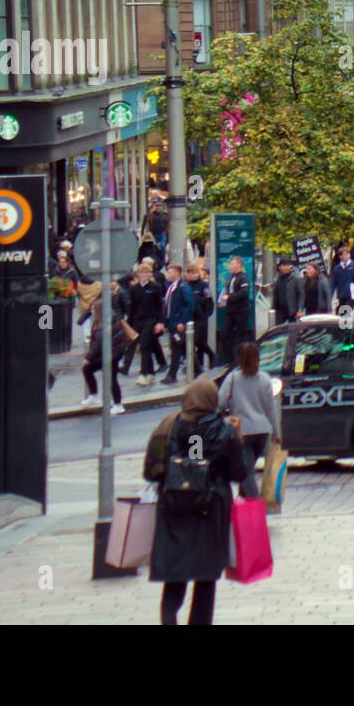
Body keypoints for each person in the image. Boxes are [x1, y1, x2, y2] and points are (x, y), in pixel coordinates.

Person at [144, 378, 248, 625]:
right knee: (205, 578)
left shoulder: (168, 426)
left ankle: (169, 619)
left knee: (174, 576)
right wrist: (237, 439)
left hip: (173, 511)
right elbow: (238, 473)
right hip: (209, 513)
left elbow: (151, 472)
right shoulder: (224, 431)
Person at [221, 342, 282, 498]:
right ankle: (244, 508)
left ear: (239, 358)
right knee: (246, 468)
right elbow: (271, 409)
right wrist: (277, 433)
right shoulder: (265, 379)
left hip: (242, 432)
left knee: (247, 472)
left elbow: (220, 402)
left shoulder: (233, 379)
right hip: (262, 431)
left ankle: (255, 508)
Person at [81, 300, 129, 410]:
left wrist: (88, 358)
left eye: (93, 309)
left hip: (112, 355)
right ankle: (93, 395)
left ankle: (118, 404)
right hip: (110, 353)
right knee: (87, 369)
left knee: (111, 378)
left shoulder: (104, 323)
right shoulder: (107, 319)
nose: (92, 311)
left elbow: (99, 344)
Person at [128, 263, 166, 386]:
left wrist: (160, 322)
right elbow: (132, 308)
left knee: (144, 345)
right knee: (145, 346)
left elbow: (160, 306)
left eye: (147, 272)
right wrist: (129, 325)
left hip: (151, 320)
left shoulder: (155, 287)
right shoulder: (134, 289)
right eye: (142, 272)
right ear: (138, 274)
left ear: (150, 274)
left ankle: (143, 374)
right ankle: (150, 373)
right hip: (138, 321)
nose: (144, 275)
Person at [160, 264, 195, 385]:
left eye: (170, 272)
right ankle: (197, 368)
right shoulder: (170, 286)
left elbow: (189, 305)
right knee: (182, 346)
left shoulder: (183, 287)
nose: (168, 274)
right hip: (171, 323)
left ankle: (172, 374)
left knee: (177, 347)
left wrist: (182, 321)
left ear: (177, 273)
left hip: (178, 323)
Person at [217, 256, 252, 365]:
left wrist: (230, 297)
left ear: (239, 265)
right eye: (230, 264)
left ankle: (243, 359)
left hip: (241, 311)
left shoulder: (243, 278)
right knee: (225, 333)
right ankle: (229, 358)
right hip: (230, 310)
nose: (230, 266)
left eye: (233, 264)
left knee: (242, 335)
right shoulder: (231, 278)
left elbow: (244, 292)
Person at [185, 264, 214, 372]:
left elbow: (209, 301)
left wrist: (206, 314)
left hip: (201, 317)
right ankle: (197, 364)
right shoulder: (186, 286)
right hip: (189, 318)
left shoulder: (203, 286)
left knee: (198, 341)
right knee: (193, 341)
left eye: (195, 273)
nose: (193, 275)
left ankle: (211, 355)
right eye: (190, 273)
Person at [272, 255, 302, 325]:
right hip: (280, 310)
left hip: (291, 310)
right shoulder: (278, 279)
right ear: (280, 267)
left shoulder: (295, 278)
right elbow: (275, 293)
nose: (286, 267)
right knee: (279, 329)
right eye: (284, 265)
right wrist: (273, 307)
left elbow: (301, 294)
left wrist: (300, 308)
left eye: (287, 265)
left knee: (293, 330)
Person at [330, 247, 354, 312]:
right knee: (340, 313)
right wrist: (330, 296)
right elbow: (333, 284)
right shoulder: (337, 269)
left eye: (348, 254)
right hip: (341, 295)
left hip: (351, 295)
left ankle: (347, 321)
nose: (347, 256)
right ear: (340, 256)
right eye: (344, 255)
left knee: (346, 312)